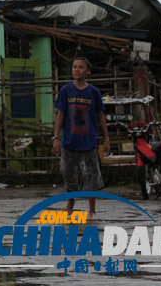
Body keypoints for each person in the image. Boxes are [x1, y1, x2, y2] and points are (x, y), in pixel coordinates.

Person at [53, 57, 109, 221]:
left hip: (88, 142)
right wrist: (56, 137)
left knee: (90, 177)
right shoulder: (65, 91)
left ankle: (92, 210)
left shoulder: (93, 92)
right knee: (69, 176)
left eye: (80, 67)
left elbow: (101, 116)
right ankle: (70, 205)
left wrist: (106, 138)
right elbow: (60, 115)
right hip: (69, 142)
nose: (77, 70)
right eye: (74, 67)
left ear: (87, 72)